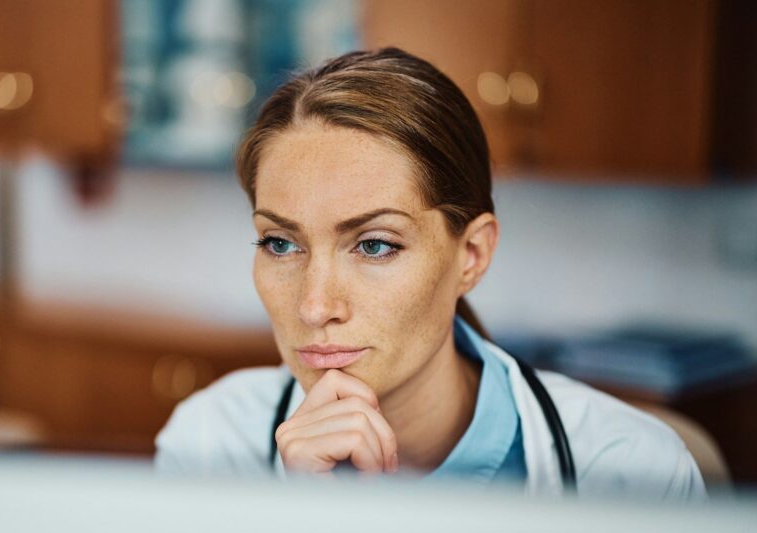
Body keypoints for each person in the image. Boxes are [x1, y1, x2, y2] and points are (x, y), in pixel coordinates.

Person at [154, 47, 705, 499]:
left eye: (374, 245)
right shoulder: (208, 443)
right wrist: (303, 516)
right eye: (280, 243)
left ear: (472, 255)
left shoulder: (633, 471)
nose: (315, 306)